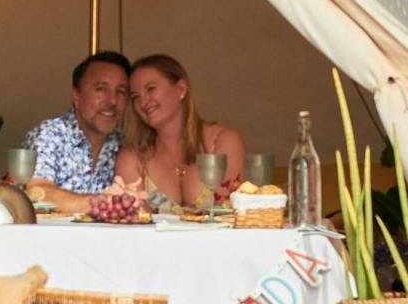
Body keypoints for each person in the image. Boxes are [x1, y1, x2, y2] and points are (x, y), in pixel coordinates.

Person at [114, 54, 246, 210]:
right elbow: (132, 224)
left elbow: (231, 213)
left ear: (181, 89)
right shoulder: (133, 157)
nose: (143, 102)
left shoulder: (224, 141)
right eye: (135, 97)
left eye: (151, 89)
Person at [22, 51, 131, 214]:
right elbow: (38, 193)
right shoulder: (50, 135)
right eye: (101, 89)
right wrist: (100, 204)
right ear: (76, 96)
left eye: (121, 91)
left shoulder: (123, 146)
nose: (113, 101)